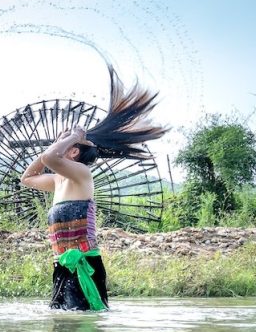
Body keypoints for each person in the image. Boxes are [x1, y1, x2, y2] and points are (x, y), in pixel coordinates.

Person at [20, 67, 167, 311]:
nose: (60, 146)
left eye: (67, 145)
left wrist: (70, 137)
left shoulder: (82, 174)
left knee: (87, 327)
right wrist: (62, 141)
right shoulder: (58, 180)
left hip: (85, 265)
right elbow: (27, 177)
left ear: (74, 151)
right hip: (62, 265)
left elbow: (49, 157)